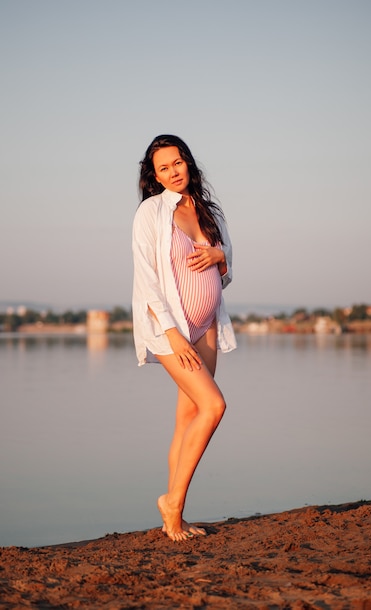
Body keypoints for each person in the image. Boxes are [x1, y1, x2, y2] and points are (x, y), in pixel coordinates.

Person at [132, 134, 236, 541]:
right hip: (170, 330)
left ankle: (173, 515)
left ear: (188, 163)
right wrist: (173, 336)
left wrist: (219, 255)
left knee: (187, 419)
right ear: (154, 176)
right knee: (213, 405)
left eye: (178, 163)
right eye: (163, 168)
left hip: (206, 324)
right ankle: (172, 501)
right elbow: (147, 281)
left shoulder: (209, 211)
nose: (173, 172)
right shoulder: (150, 213)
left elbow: (229, 269)